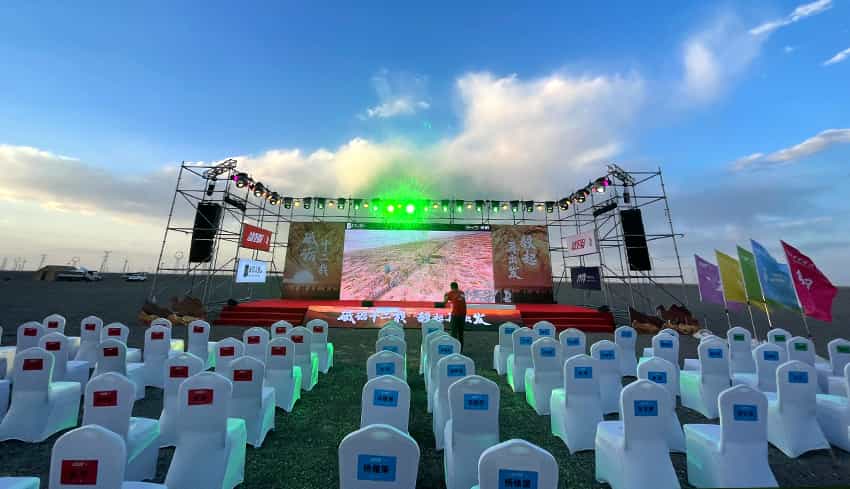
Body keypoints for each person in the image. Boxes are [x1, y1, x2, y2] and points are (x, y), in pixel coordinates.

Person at [444, 282, 467, 348]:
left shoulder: (451, 293)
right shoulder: (462, 293)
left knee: (454, 332)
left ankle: (454, 348)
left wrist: (445, 295)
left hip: (455, 315)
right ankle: (460, 349)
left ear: (452, 287)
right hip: (463, 315)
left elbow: (445, 302)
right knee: (461, 333)